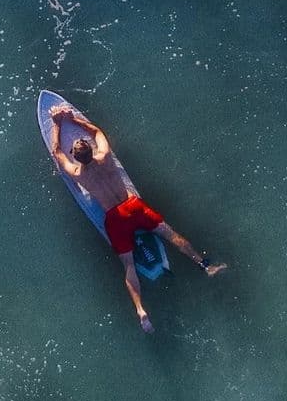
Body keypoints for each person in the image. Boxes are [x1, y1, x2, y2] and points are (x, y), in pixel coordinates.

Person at [49, 105, 225, 332]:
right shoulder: (105, 157)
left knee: (129, 264)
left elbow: (56, 151)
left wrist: (57, 123)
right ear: (91, 150)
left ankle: (141, 312)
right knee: (170, 234)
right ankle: (204, 265)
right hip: (134, 206)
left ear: (76, 157)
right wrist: (75, 120)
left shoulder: (77, 173)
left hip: (114, 217)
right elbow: (97, 132)